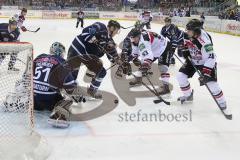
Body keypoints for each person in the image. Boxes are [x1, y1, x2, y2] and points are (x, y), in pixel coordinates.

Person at [176, 19, 227, 111]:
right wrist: (185, 51)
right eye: (187, 29)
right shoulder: (187, 34)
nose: (187, 31)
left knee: (211, 83)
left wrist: (206, 73)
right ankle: (188, 95)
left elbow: (211, 57)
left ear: (196, 31)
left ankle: (222, 102)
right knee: (180, 76)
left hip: (206, 62)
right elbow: (186, 44)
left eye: (189, 30)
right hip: (193, 60)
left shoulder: (204, 40)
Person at [33, 42, 84, 128]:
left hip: (34, 101)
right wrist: (78, 95)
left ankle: (17, 100)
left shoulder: (39, 57)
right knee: (68, 99)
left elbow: (25, 77)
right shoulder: (63, 63)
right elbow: (70, 87)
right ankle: (59, 115)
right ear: (62, 53)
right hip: (50, 101)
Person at [67, 20, 122, 99]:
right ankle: (66, 90)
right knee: (72, 75)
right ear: (112, 28)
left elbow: (112, 56)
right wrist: (92, 38)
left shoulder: (110, 41)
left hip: (88, 56)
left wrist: (118, 60)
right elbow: (85, 32)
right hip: (77, 49)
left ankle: (92, 91)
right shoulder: (100, 26)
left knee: (102, 72)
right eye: (116, 31)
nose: (117, 33)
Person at [128, 29, 172, 95]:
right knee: (143, 62)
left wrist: (146, 65)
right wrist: (127, 59)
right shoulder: (136, 40)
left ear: (139, 36)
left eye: (134, 38)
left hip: (165, 47)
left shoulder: (144, 41)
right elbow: (135, 53)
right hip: (155, 49)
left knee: (163, 68)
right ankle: (139, 79)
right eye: (131, 38)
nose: (133, 40)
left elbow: (148, 56)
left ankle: (166, 88)